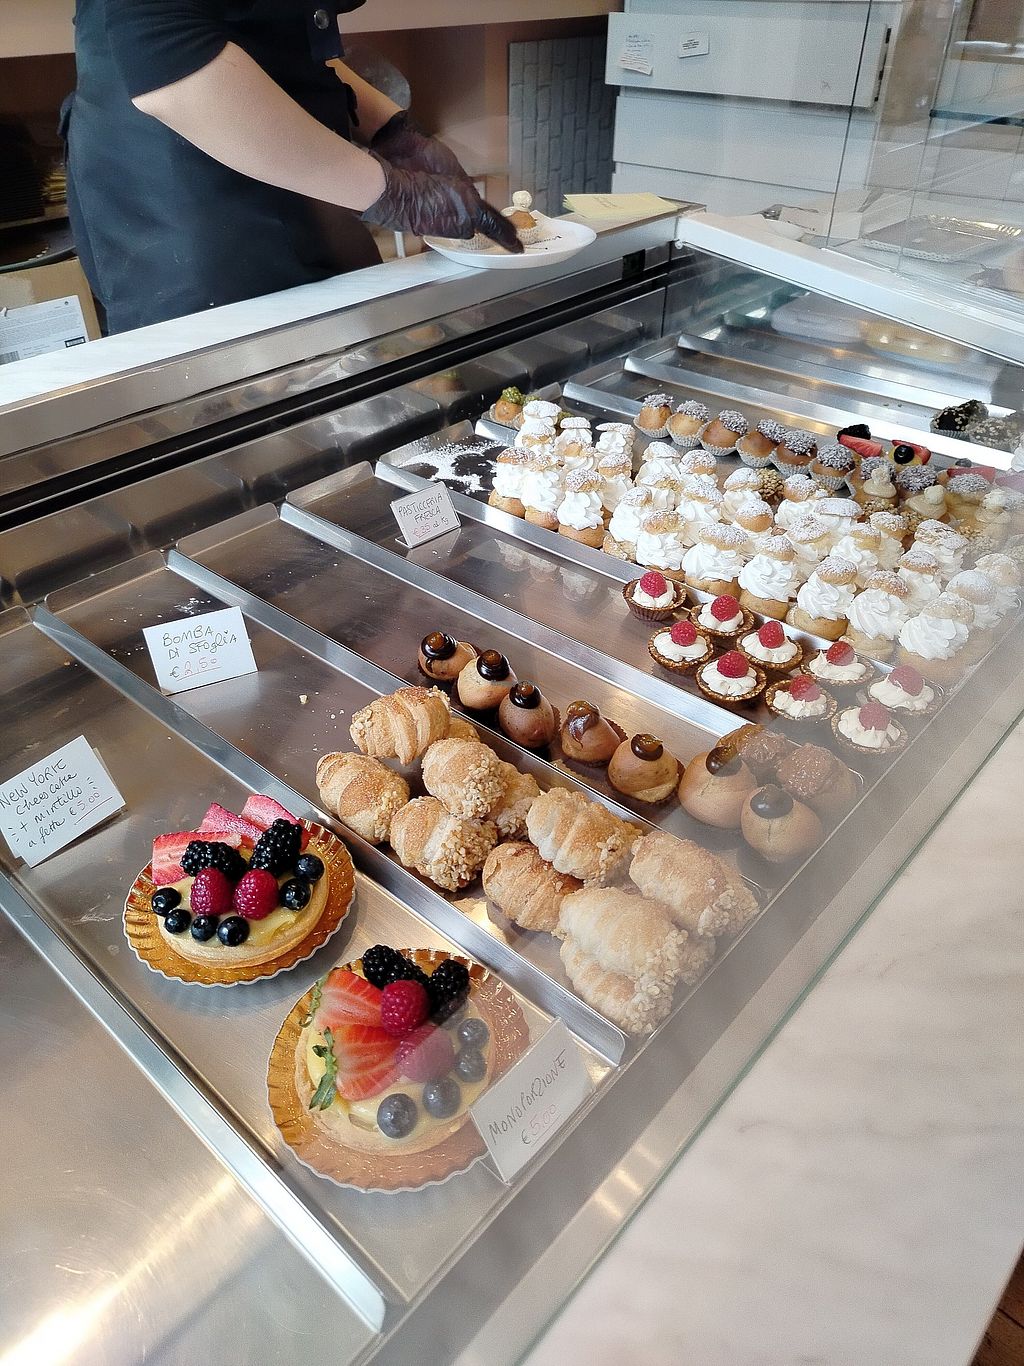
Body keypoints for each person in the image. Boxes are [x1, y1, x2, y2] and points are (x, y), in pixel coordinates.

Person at [63, 1, 520, 334]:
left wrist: (393, 130)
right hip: (183, 185)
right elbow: (168, 60)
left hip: (289, 161)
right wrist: (398, 196)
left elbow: (281, 40)